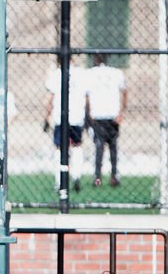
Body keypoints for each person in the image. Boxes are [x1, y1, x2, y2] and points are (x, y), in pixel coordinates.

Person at [44, 55, 87, 193]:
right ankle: (76, 176)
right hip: (77, 116)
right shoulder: (81, 74)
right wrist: (87, 115)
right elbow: (87, 97)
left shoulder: (57, 74)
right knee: (77, 146)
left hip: (60, 116)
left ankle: (59, 181)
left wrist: (46, 116)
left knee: (59, 148)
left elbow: (49, 98)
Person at [84, 55, 127, 187]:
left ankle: (98, 177)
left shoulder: (90, 74)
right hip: (112, 114)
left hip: (98, 115)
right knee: (113, 146)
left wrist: (88, 114)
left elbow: (86, 96)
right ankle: (114, 176)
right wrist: (121, 112)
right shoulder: (116, 73)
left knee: (99, 146)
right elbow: (124, 91)